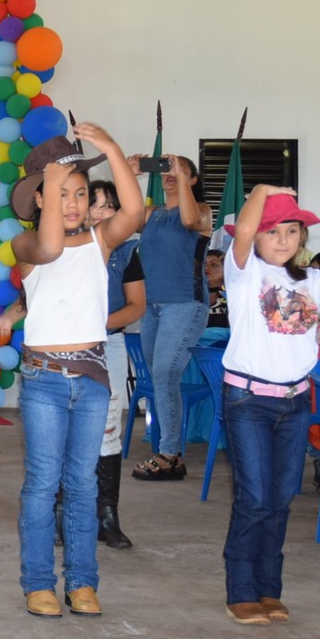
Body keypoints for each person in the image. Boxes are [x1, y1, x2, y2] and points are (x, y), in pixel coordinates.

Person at [0, 123, 145, 619]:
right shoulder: (25, 246)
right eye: (61, 194)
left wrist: (111, 148)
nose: (74, 202)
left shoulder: (102, 242)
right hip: (42, 381)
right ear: (38, 202)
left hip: (93, 378)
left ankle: (82, 582)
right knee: (43, 483)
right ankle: (38, 581)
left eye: (81, 194)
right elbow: (51, 249)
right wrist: (59, 177)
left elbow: (135, 211)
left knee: (83, 484)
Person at [220, 187, 320, 624]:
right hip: (248, 399)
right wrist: (261, 192)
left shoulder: (312, 281)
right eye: (273, 231)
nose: (283, 239)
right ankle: (241, 590)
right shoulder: (245, 273)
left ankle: (270, 588)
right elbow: (246, 229)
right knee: (253, 497)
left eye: (292, 231)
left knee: (280, 498)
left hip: (294, 400)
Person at [130, 154, 210, 482]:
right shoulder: (152, 214)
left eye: (179, 171)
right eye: (165, 170)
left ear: (193, 180)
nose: (170, 175)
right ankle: (167, 449)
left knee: (164, 375)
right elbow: (129, 215)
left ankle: (171, 454)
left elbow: (191, 221)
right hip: (152, 306)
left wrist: (180, 173)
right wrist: (132, 174)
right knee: (158, 378)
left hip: (184, 305)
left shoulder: (201, 211)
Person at [89, 179, 145, 549]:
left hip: (107, 344)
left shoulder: (126, 252)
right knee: (64, 430)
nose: (100, 212)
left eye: (110, 206)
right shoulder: (59, 244)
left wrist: (96, 324)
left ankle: (107, 515)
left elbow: (135, 306)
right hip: (62, 348)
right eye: (93, 203)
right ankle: (62, 511)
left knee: (108, 431)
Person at [203, 251, 228, 329]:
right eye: (204, 264)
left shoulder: (232, 298)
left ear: (225, 269)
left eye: (213, 264)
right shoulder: (189, 297)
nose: (206, 268)